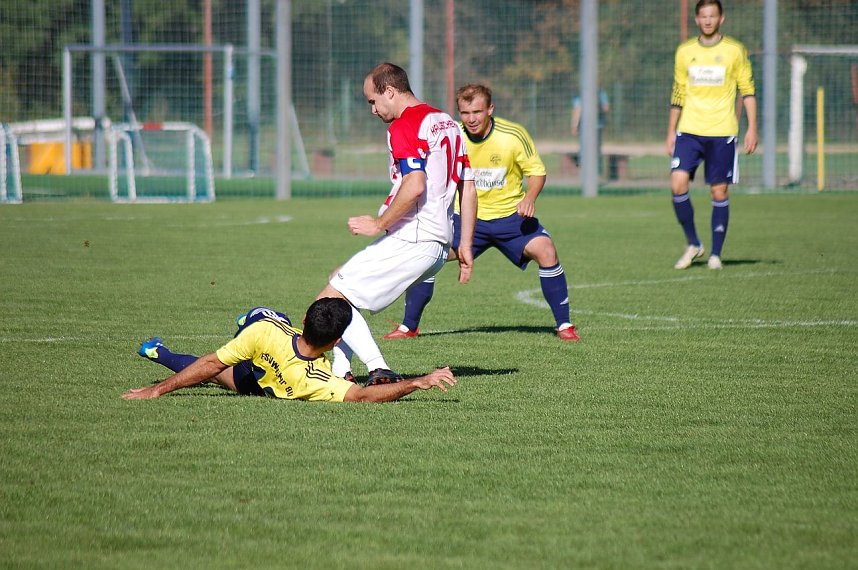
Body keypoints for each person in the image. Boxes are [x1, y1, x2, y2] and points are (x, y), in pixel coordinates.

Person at [313, 62, 477, 383]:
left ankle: (378, 368)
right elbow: (467, 187)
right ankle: (341, 372)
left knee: (328, 301)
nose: (373, 110)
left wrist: (378, 223)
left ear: (390, 91)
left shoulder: (404, 125)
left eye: (373, 101)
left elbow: (414, 184)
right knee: (338, 284)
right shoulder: (447, 123)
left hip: (414, 238)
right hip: (437, 244)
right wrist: (465, 243)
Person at [384, 83, 580, 342]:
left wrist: (529, 198)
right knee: (427, 257)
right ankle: (409, 327)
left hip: (512, 219)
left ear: (490, 109)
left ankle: (564, 325)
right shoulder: (453, 134)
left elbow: (537, 172)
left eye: (477, 112)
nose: (471, 119)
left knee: (546, 251)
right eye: (464, 113)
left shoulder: (512, 135)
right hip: (465, 220)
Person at [122, 298, 457, 403]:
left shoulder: (270, 332)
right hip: (252, 386)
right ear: (336, 342)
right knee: (212, 374)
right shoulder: (319, 379)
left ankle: (161, 353)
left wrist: (157, 391)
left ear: (305, 320)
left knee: (259, 317)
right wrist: (417, 381)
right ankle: (158, 352)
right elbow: (362, 397)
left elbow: (210, 362)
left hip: (253, 359)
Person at [666, 0, 757, 270]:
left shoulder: (734, 51)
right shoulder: (685, 52)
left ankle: (716, 254)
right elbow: (678, 92)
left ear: (721, 19)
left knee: (719, 191)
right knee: (677, 184)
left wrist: (753, 127)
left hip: (722, 132)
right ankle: (693, 242)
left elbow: (747, 90)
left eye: (712, 16)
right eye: (703, 16)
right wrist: (670, 131)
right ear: (696, 20)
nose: (707, 20)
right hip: (689, 131)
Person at [571, 88, 610, 175]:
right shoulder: (599, 93)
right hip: (590, 127)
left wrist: (574, 125)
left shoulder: (600, 93)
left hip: (593, 126)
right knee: (592, 149)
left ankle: (590, 172)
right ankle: (592, 171)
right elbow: (577, 110)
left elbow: (577, 110)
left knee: (588, 149)